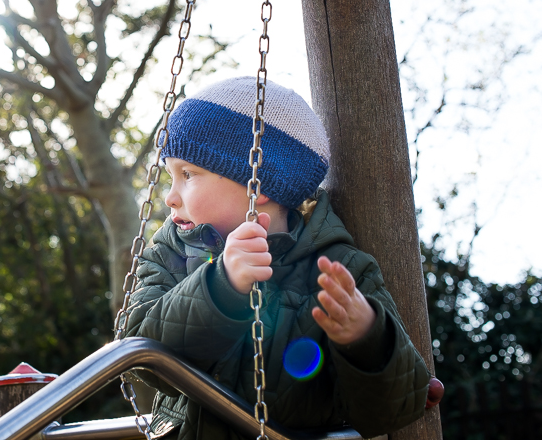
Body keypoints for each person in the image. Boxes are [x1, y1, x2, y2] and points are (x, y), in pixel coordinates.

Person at [125, 76, 430, 440]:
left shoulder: (337, 271)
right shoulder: (173, 253)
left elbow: (391, 411)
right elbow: (140, 355)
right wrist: (218, 287)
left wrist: (367, 337)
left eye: (188, 174)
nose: (170, 197)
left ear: (260, 183)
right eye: (170, 176)